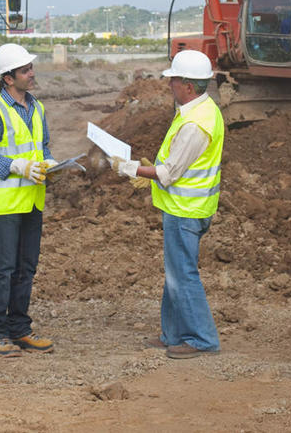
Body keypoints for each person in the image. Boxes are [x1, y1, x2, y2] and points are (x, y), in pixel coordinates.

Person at [109, 49, 224, 359]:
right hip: (185, 208)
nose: (169, 85)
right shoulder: (201, 110)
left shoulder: (194, 124)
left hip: (186, 211)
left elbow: (169, 174)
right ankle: (172, 334)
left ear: (187, 85)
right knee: (176, 272)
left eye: (173, 81)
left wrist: (130, 168)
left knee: (183, 274)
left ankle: (202, 339)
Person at [0, 43, 57, 358]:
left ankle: (20, 329)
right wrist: (16, 166)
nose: (31, 74)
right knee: (4, 268)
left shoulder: (36, 108)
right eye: (25, 70)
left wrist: (50, 164)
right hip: (8, 204)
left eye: (30, 68)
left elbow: (43, 148)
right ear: (8, 78)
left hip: (33, 200)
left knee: (26, 267)